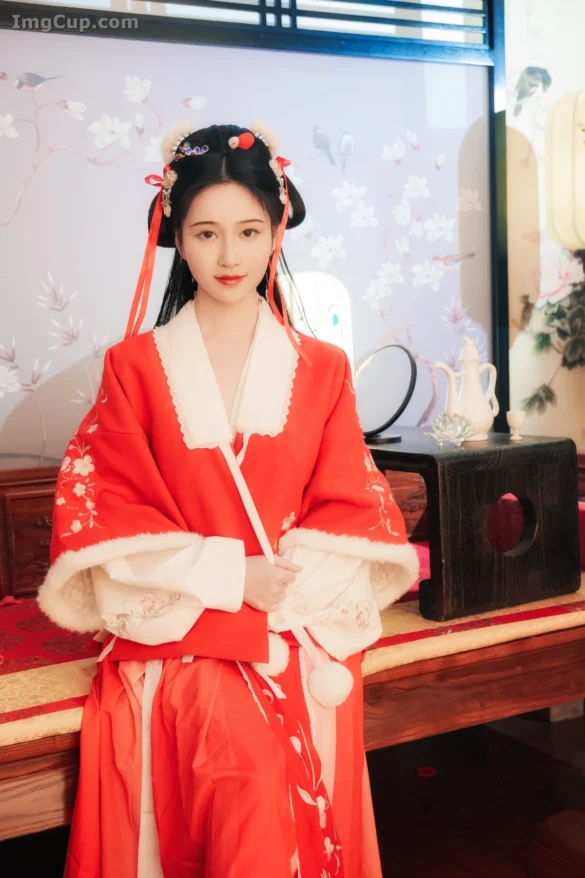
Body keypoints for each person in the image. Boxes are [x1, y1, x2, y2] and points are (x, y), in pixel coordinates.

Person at [38, 121, 419, 877]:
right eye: (205, 234)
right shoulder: (133, 367)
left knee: (277, 740)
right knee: (242, 760)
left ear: (277, 231)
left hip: (298, 623)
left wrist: (282, 593)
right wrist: (230, 577)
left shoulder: (323, 368)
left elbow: (352, 508)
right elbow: (106, 517)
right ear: (176, 238)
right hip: (184, 632)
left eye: (248, 231)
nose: (229, 256)